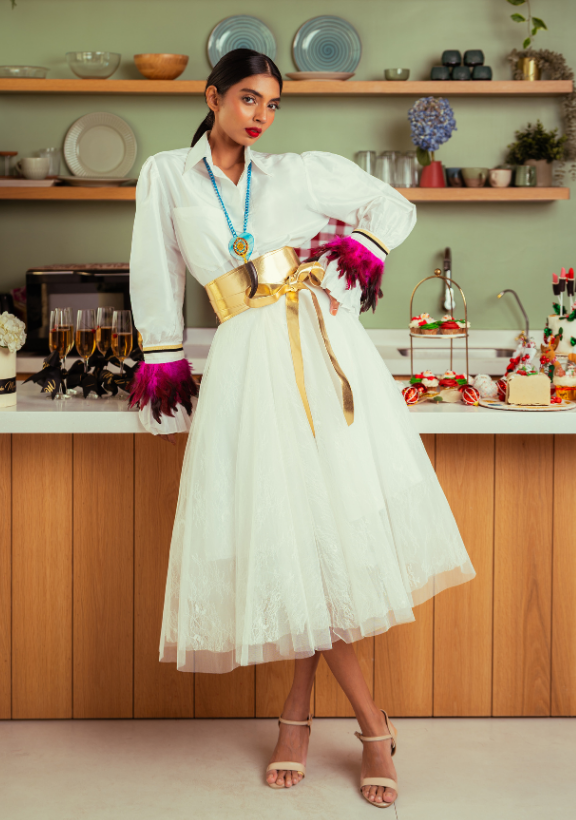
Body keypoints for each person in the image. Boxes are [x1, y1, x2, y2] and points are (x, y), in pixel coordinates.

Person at [127, 48, 476, 809]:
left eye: (273, 103)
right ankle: (364, 722)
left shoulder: (299, 173)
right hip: (246, 367)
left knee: (323, 537)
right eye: (248, 98)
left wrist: (344, 272)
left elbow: (394, 210)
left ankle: (308, 718)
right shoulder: (165, 175)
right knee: (294, 539)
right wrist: (164, 369)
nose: (261, 115)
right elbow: (156, 274)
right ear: (212, 96)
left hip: (322, 355)